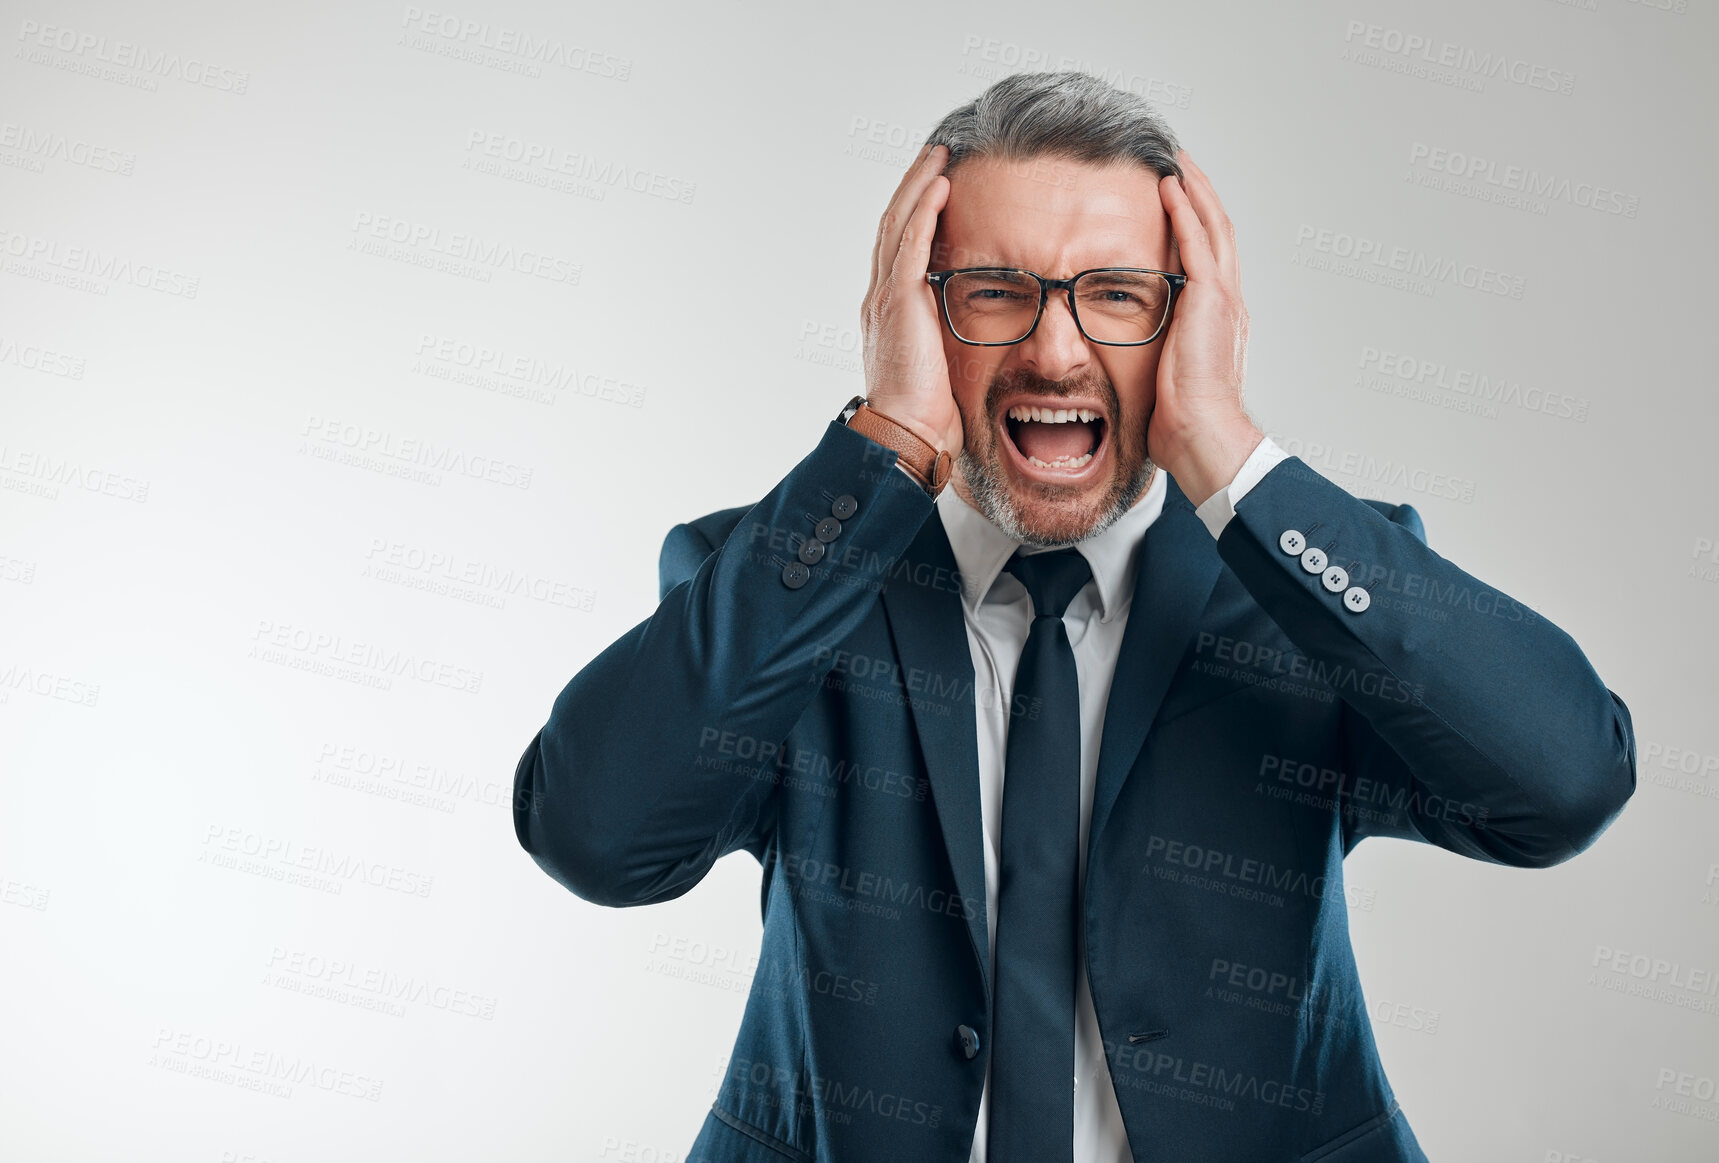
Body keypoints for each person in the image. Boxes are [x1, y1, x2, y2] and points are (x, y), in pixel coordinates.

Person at [510, 71, 1636, 1162]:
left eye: (1117, 294)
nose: (1055, 351)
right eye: (995, 290)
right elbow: (595, 836)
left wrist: (1233, 459)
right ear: (916, 315)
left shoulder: (1305, 590)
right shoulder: (785, 579)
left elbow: (1564, 780)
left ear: (1194, 323)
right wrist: (880, 453)